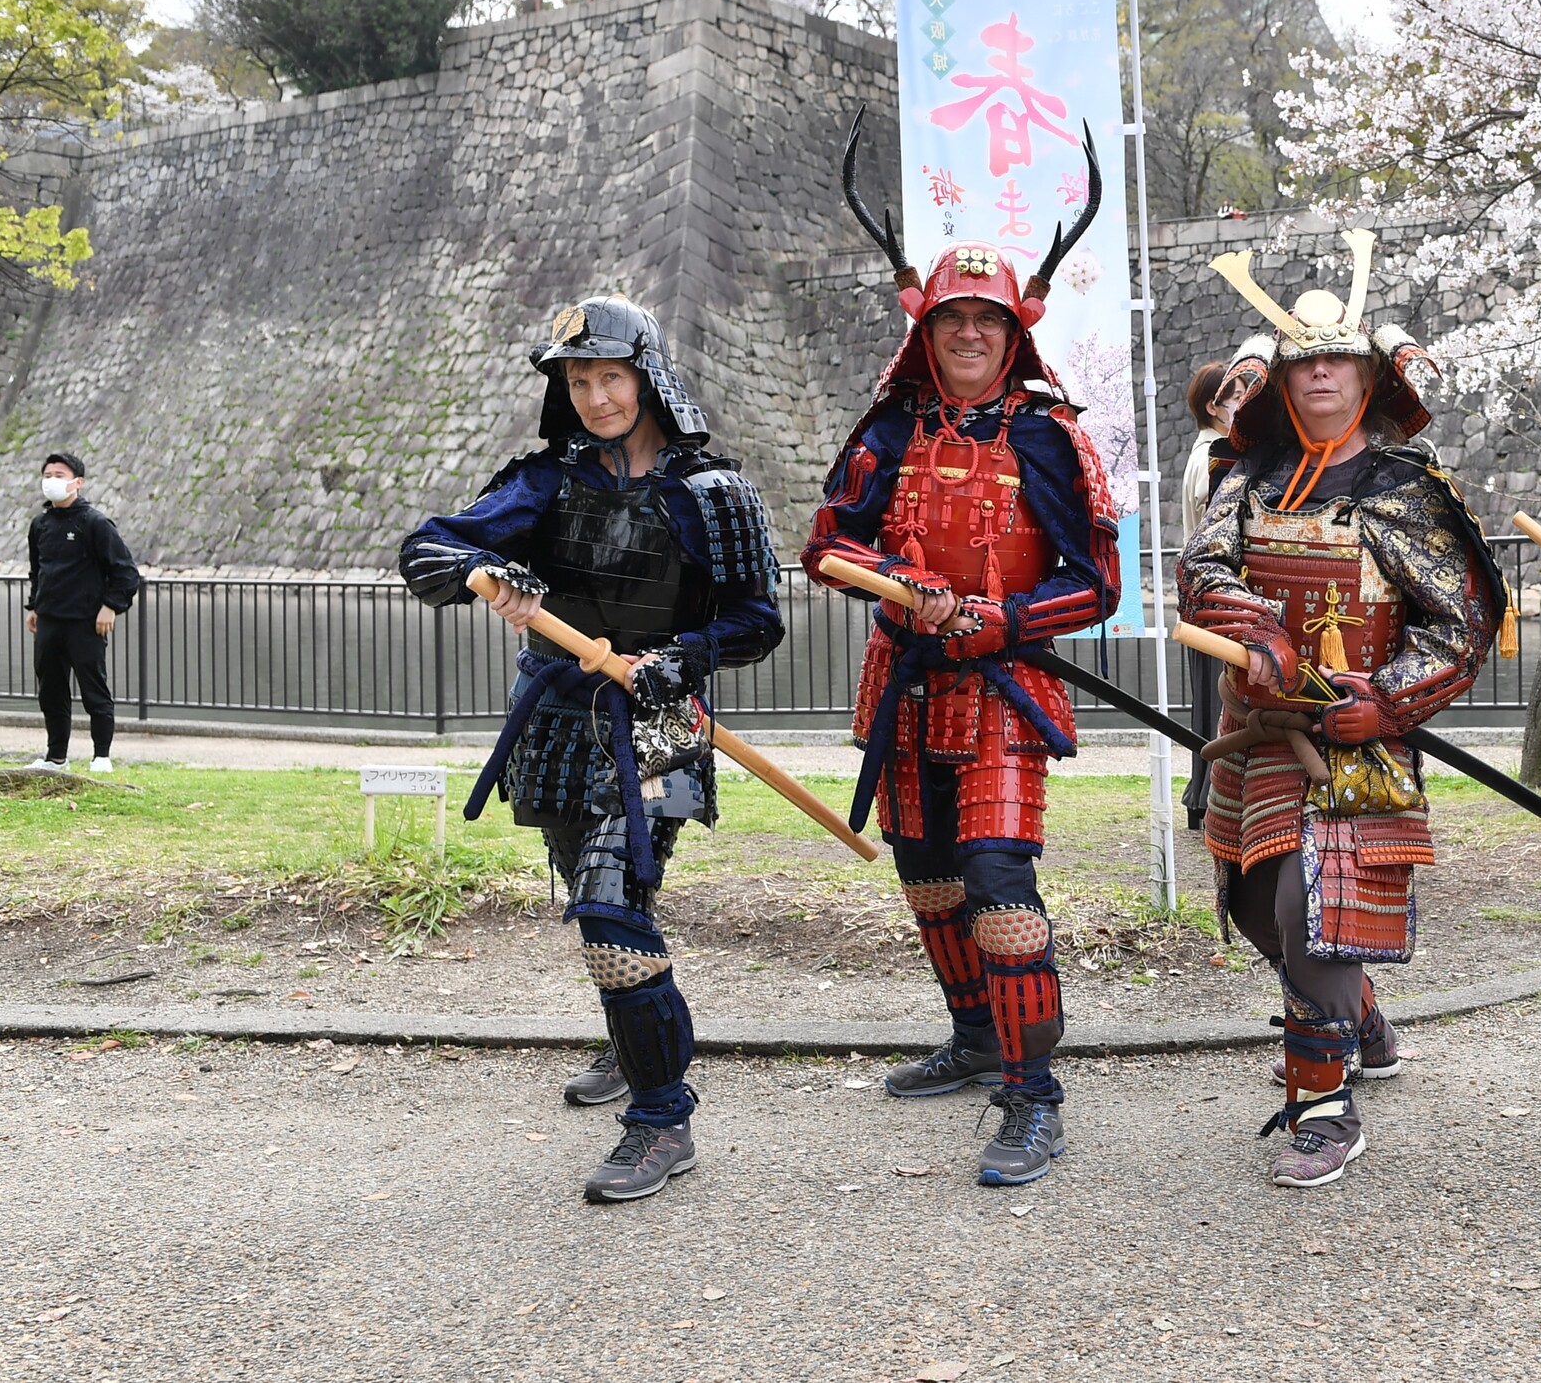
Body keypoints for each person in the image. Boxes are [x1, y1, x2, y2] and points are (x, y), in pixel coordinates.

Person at [398, 296, 784, 1202]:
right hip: (555, 723)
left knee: (611, 909)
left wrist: (680, 656)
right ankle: (631, 1034)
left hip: (656, 724)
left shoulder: (712, 493)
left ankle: (661, 1117)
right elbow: (426, 548)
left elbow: (758, 620)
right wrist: (485, 572)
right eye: (579, 380)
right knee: (592, 901)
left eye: (610, 376)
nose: (597, 395)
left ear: (648, 378)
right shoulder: (545, 482)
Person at [804, 124, 1118, 1187]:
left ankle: (1035, 1098)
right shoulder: (886, 430)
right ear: (926, 332)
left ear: (1012, 331)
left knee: (997, 882)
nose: (971, 334)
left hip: (1000, 686)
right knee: (928, 878)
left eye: (987, 319)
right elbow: (825, 545)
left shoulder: (1049, 438)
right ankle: (976, 1034)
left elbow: (1097, 582)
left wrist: (1003, 620)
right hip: (902, 684)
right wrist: (899, 589)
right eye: (954, 320)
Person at [1180, 228, 1504, 1188]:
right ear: (1280, 381)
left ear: (1369, 377)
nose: (1321, 372)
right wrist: (1256, 632)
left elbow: (1464, 617)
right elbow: (1204, 569)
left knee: (1309, 911)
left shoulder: (1408, 488)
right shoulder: (1250, 479)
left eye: (1339, 359)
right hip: (1260, 734)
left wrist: (1390, 700)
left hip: (1360, 738)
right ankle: (1358, 1018)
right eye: (1304, 360)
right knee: (1251, 905)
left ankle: (1323, 1110)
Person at [24, 452, 143, 775]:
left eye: (59, 474)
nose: (51, 480)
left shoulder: (95, 523)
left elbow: (126, 573)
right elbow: (38, 570)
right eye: (47, 474)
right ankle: (55, 757)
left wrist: (111, 607)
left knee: (94, 689)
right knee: (51, 691)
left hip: (86, 621)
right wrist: (34, 605)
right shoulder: (40, 524)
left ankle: (101, 756)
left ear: (78, 482)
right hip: (49, 619)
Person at [1179, 361, 1233, 826]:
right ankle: (1210, 794)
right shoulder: (1216, 458)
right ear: (1214, 406)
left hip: (1204, 598)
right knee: (1218, 702)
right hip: (1216, 597)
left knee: (1210, 701)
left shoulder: (1208, 453)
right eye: (1236, 397)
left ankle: (1204, 793)